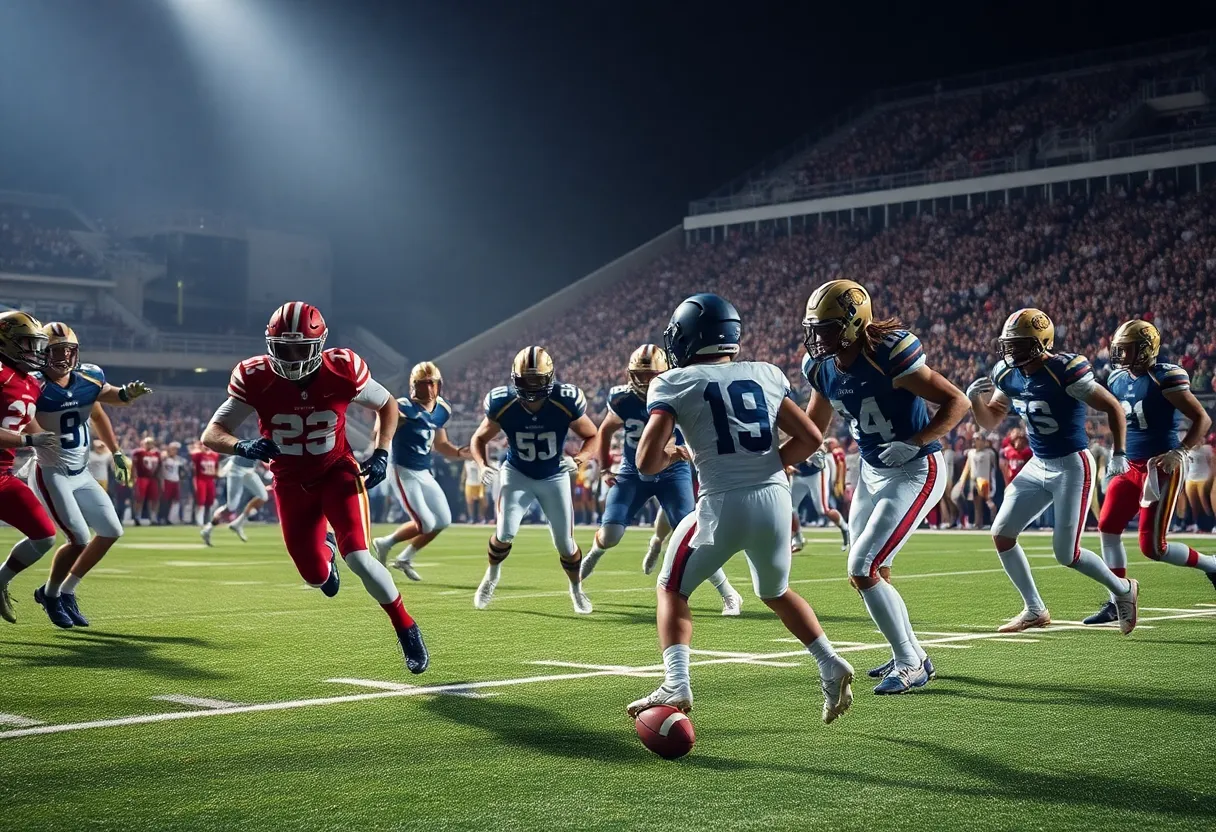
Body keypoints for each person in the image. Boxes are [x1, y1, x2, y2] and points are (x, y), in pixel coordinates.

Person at [626, 293, 854, 724]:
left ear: (689, 338)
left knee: (672, 589)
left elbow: (644, 462)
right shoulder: (765, 373)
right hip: (774, 501)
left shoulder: (674, 381)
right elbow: (810, 438)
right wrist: (766, 465)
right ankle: (828, 661)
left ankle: (676, 683)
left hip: (722, 502)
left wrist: (676, 456)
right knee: (775, 591)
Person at [201, 301, 428, 674]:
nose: (290, 358)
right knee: (315, 576)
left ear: (319, 345)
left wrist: (382, 451)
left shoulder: (342, 370)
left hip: (337, 471)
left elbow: (388, 405)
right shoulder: (255, 376)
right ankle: (326, 551)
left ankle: (405, 627)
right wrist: (242, 446)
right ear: (270, 344)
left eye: (299, 348)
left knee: (359, 557)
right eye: (283, 348)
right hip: (290, 483)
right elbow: (212, 433)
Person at [803, 279, 968, 693]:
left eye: (826, 327)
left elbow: (957, 401)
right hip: (873, 471)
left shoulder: (888, 356)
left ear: (853, 324)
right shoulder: (822, 368)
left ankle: (911, 662)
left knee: (864, 566)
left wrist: (916, 440)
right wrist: (809, 448)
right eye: (814, 327)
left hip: (916, 469)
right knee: (868, 572)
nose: (817, 337)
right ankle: (910, 654)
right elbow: (813, 425)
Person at [969, 308, 1140, 635]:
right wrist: (975, 400)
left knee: (1066, 553)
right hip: (1038, 463)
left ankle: (1122, 589)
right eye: (1010, 344)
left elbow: (1113, 407)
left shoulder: (1064, 371)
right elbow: (990, 418)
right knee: (1002, 534)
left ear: (1040, 344)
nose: (1012, 351)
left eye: (1019, 345)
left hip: (1072, 465)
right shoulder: (1009, 374)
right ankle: (1034, 609)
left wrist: (1119, 453)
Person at [580, 344, 742, 616]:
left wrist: (690, 451)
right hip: (633, 471)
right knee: (611, 534)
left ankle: (729, 593)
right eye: (640, 375)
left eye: (651, 375)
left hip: (671, 471)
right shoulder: (622, 399)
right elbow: (605, 430)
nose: (645, 381)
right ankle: (595, 553)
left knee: (695, 536)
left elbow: (707, 427)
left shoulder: (681, 390)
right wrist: (607, 468)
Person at [1083, 321, 1216, 624]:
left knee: (1154, 548)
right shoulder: (1117, 378)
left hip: (1160, 467)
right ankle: (1119, 598)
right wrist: (1117, 450)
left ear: (1145, 349)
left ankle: (1212, 564)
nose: (1119, 354)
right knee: (1107, 526)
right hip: (1130, 465)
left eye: (1125, 348)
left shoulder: (1164, 377)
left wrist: (1179, 451)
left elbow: (1202, 419)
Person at [25, 323, 147, 627]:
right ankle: (50, 595)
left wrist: (118, 446)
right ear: (42, 353)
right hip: (52, 471)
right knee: (78, 538)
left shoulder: (88, 378)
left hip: (81, 472)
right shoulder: (32, 384)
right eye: (56, 351)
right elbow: (23, 417)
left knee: (111, 531)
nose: (64, 357)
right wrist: (38, 433)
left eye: (68, 350)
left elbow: (102, 406)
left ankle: (66, 590)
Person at [468, 346, 598, 613]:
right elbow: (478, 439)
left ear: (549, 377)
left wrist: (579, 459)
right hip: (517, 472)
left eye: (537, 379)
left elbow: (593, 435)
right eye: (525, 379)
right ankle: (491, 577)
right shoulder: (503, 403)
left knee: (564, 543)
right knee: (504, 531)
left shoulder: (564, 400)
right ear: (515, 379)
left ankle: (576, 590)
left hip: (554, 474)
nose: (531, 385)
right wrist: (481, 465)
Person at [371, 362, 469, 579]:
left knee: (443, 520)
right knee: (425, 523)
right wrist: (389, 425)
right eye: (424, 384)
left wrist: (463, 453)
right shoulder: (403, 406)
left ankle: (402, 556)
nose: (429, 389)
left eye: (432, 383)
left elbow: (442, 445)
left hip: (424, 471)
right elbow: (379, 430)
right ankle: (385, 543)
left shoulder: (442, 409)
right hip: (403, 469)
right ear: (414, 385)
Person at [0, 310, 60, 623]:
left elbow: (26, 419)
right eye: (27, 343)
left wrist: (44, 439)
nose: (34, 352)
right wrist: (27, 442)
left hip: (2, 476)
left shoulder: (30, 383)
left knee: (44, 535)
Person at [789, 445, 849, 552]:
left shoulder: (804, 431)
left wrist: (813, 454)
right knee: (789, 507)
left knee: (823, 509)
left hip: (815, 471)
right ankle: (798, 540)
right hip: (798, 473)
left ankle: (845, 529)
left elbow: (821, 447)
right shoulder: (782, 432)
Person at [200, 452, 267, 544]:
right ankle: (208, 529)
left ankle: (238, 524)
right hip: (237, 468)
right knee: (231, 507)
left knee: (263, 496)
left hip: (250, 469)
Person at [130, 436, 161, 525]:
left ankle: (153, 517)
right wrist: (134, 476)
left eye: (151, 443)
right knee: (140, 498)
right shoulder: (138, 452)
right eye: (147, 443)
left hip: (153, 478)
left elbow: (159, 467)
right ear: (143, 443)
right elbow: (134, 466)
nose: (149, 445)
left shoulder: (156, 453)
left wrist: (159, 479)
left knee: (154, 498)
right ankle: (137, 516)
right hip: (141, 477)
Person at [189, 441, 220, 525]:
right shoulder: (199, 455)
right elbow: (192, 454)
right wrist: (198, 447)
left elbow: (216, 468)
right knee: (201, 501)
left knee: (210, 501)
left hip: (210, 480)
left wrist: (217, 474)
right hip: (201, 479)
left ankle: (207, 519)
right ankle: (199, 521)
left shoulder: (215, 455)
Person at [160, 442, 185, 524]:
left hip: (175, 481)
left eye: (176, 449)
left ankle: (170, 518)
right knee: (165, 501)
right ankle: (162, 517)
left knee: (173, 501)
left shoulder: (178, 459)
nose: (175, 451)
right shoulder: (164, 457)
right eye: (173, 449)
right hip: (167, 480)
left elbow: (182, 471)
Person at [460, 457, 486, 522]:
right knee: (469, 502)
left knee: (482, 501)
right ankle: (471, 518)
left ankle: (481, 517)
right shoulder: (467, 462)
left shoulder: (480, 460)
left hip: (479, 483)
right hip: (469, 483)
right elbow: (464, 473)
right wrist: (462, 483)